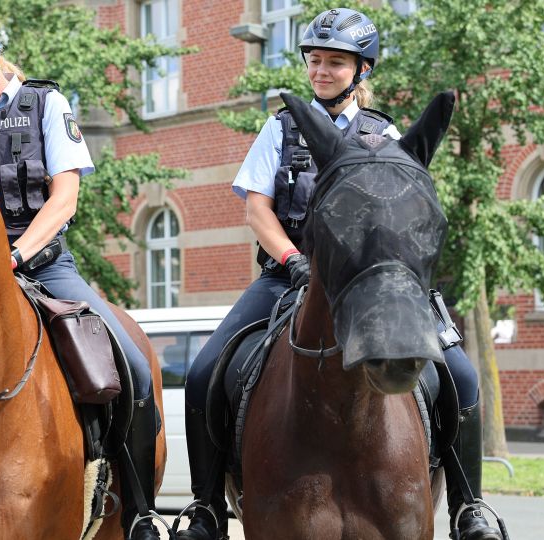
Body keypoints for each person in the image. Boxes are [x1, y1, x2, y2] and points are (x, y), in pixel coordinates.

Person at [177, 8, 502, 540]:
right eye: (314, 61)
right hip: (288, 278)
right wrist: (293, 259)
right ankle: (207, 506)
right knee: (204, 371)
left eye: (334, 62)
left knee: (460, 376)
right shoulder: (280, 127)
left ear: (362, 69)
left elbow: (402, 210)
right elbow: (258, 209)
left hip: (372, 288)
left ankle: (470, 508)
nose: (321, 71)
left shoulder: (387, 135)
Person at [0, 7, 161, 539]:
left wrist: (15, 257)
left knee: (134, 371)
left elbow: (64, 198)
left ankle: (139, 509)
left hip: (46, 267)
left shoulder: (47, 102)